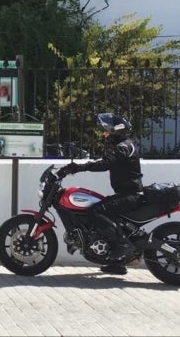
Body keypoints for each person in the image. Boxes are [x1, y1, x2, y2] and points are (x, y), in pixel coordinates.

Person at [62, 112, 144, 275]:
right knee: (105, 212)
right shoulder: (126, 145)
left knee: (96, 211)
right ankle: (118, 262)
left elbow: (105, 164)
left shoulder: (123, 147)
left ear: (116, 131)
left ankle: (122, 246)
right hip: (127, 193)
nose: (104, 134)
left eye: (107, 131)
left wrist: (79, 167)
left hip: (130, 195)